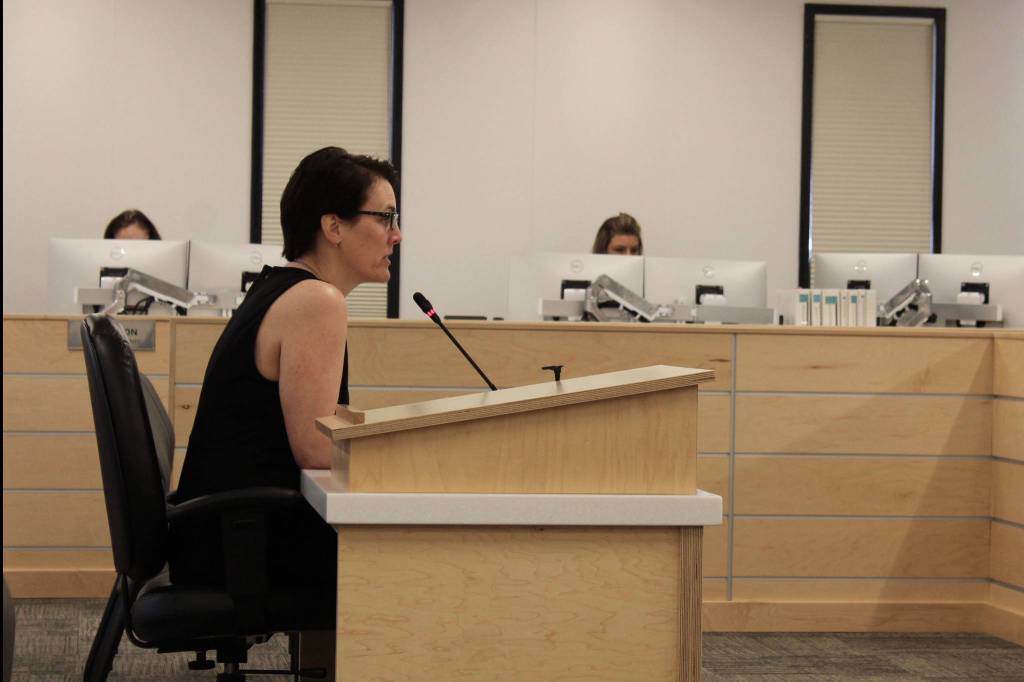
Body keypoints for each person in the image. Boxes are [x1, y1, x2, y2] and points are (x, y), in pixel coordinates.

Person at [170, 147, 401, 625]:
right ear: (333, 227)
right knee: (420, 562)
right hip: (241, 549)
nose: (396, 235)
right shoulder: (315, 300)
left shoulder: (280, 287)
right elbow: (316, 450)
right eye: (384, 218)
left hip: (224, 534)